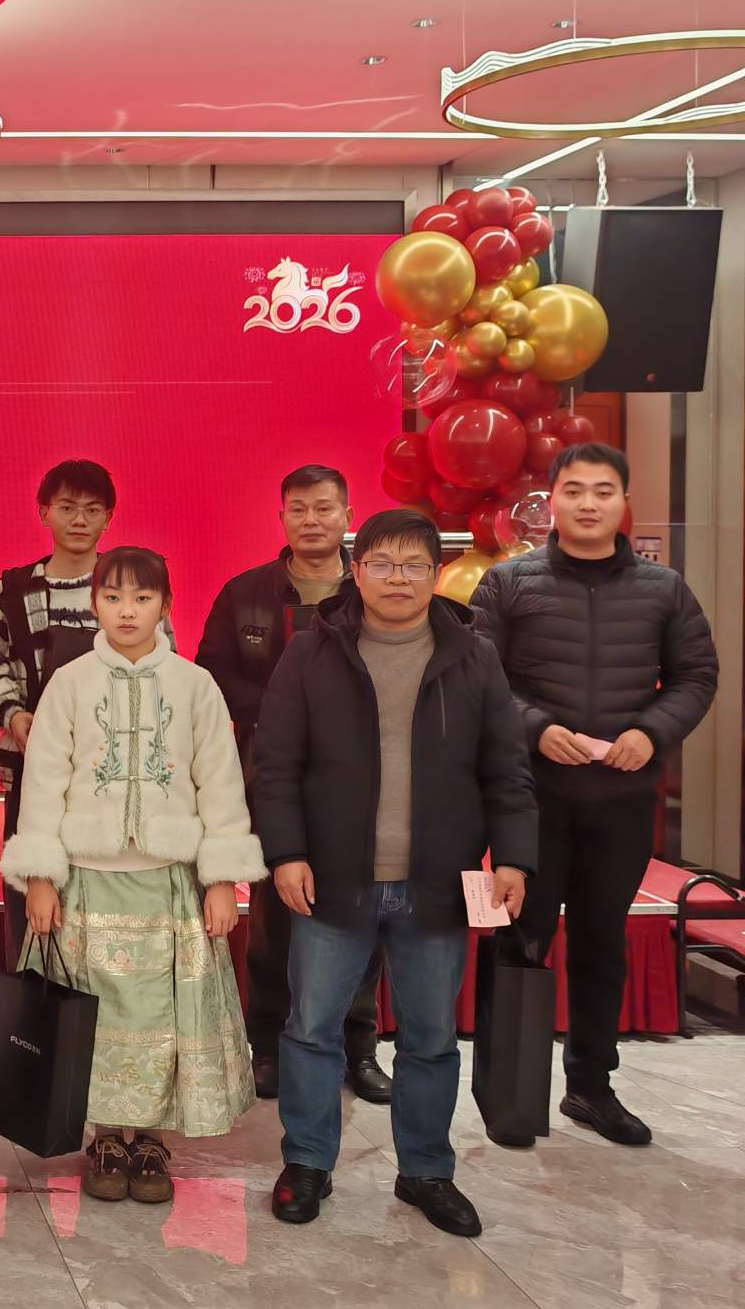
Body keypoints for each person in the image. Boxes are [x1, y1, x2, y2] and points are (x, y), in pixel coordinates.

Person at [253, 508, 535, 1238]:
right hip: (330, 879)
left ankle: (426, 1171)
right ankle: (307, 1161)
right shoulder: (311, 653)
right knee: (311, 1029)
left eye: (415, 565)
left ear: (437, 574)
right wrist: (285, 853)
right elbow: (275, 766)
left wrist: (512, 857)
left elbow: (506, 769)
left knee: (431, 1037)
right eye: (382, 563)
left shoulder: (473, 657)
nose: (398, 578)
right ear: (357, 571)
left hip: (436, 882)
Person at [470, 443, 717, 1147]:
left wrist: (652, 732)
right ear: (551, 500)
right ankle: (511, 1096)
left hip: (622, 799)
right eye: (573, 490)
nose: (587, 503)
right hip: (532, 798)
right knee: (521, 939)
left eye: (602, 491)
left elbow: (696, 675)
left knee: (603, 944)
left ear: (623, 501)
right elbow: (480, 677)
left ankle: (590, 1087)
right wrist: (536, 728)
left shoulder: (664, 589)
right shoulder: (507, 583)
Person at [1, 547, 261, 1206]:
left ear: (165, 606)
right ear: (94, 603)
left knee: (161, 1021)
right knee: (94, 1017)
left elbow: (220, 783)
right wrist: (40, 875)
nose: (126, 611)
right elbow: (43, 781)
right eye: (113, 597)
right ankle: (104, 1140)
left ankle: (149, 1141)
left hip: (169, 883)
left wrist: (221, 878)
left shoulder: (195, 686)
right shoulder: (70, 684)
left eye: (142, 598)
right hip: (86, 881)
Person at [196, 465, 390, 1105]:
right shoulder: (246, 592)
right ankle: (269, 1046)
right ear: (281, 517)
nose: (312, 520)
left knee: (359, 909)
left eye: (324, 508)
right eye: (299, 509)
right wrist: (286, 710)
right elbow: (211, 675)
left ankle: (359, 1045)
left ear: (347, 516)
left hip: (361, 780)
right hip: (271, 774)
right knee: (274, 916)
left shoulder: (374, 591)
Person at [0, 460, 168, 949]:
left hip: (119, 780)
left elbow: (164, 668)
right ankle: (31, 998)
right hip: (31, 772)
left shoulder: (132, 589)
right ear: (44, 513)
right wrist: (14, 716)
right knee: (31, 909)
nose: (79, 519)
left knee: (111, 917)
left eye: (92, 510)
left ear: (108, 518)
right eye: (67, 507)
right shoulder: (12, 590)